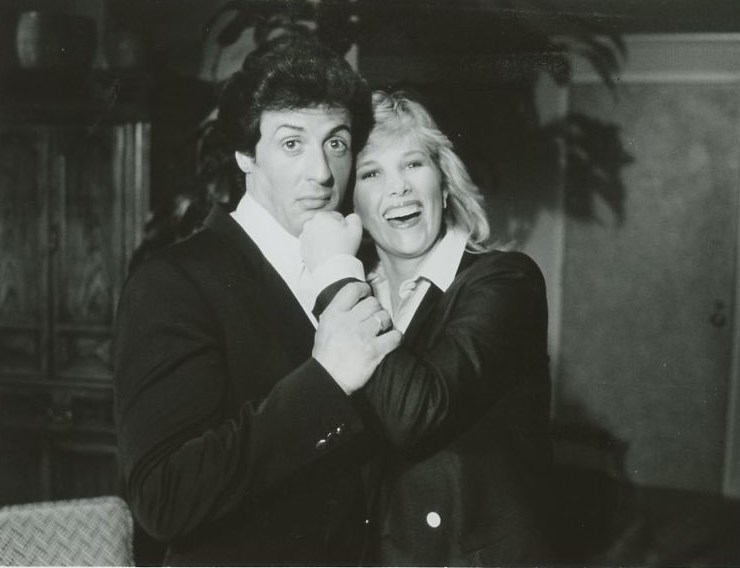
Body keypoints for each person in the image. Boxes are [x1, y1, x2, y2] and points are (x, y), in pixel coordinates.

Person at [113, 35, 401, 566]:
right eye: (292, 144)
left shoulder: (359, 264)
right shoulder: (173, 281)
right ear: (246, 154)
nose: (321, 172)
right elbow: (163, 497)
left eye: (336, 143)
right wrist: (326, 380)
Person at [301, 90, 554, 565]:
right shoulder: (360, 291)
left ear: (444, 182)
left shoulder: (504, 281)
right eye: (372, 173)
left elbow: (416, 414)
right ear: (352, 202)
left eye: (413, 164)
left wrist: (334, 275)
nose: (398, 188)